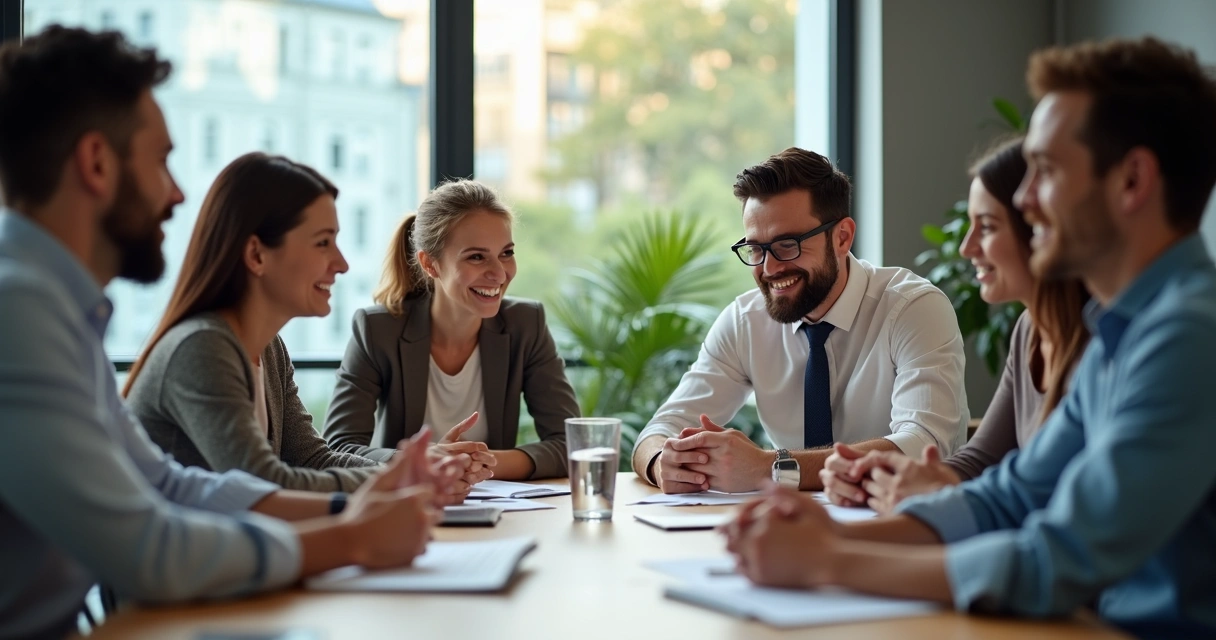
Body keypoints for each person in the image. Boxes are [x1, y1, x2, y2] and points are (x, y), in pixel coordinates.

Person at [722, 36, 1216, 638]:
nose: (1027, 199)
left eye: (1048, 171)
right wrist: (825, 533)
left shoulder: (1189, 338)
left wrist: (832, 561)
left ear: (1133, 180)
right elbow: (1008, 496)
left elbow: (1056, 559)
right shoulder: (1124, 332)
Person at [0, 27, 453, 639]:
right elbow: (149, 549)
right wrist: (351, 537)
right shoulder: (18, 311)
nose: (178, 192)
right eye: (161, 161)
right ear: (97, 164)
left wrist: (355, 507)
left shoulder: (58, 310)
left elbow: (167, 484)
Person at [124, 152, 481, 499]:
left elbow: (313, 460)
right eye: (323, 242)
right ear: (256, 254)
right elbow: (264, 485)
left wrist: (412, 472)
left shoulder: (269, 347)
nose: (341, 264)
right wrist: (402, 481)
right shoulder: (201, 347)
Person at [630, 148, 969, 494]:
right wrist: (662, 463)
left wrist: (772, 468)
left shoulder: (913, 308)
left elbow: (923, 445)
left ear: (842, 237)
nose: (769, 268)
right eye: (756, 249)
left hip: (906, 527)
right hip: (789, 528)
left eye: (787, 245)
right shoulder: (745, 321)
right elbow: (659, 431)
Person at [821, 137, 1089, 514]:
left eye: (989, 227)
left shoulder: (1100, 343)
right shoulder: (1030, 329)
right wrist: (891, 478)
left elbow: (1045, 498)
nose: (966, 248)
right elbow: (979, 460)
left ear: (1040, 227)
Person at [323, 179, 580, 480]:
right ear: (430, 264)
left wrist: (478, 463)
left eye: (506, 253)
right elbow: (338, 450)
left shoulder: (526, 324)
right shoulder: (377, 331)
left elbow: (571, 444)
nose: (499, 273)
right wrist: (425, 462)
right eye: (476, 257)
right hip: (403, 508)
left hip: (495, 510)